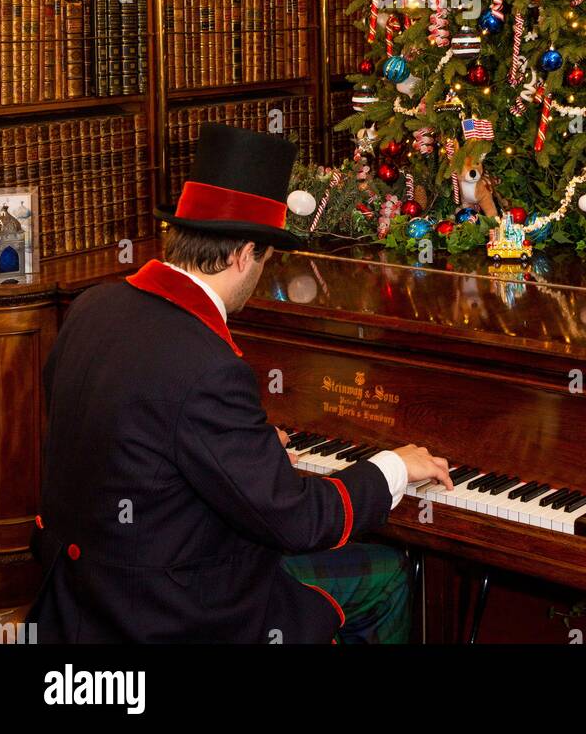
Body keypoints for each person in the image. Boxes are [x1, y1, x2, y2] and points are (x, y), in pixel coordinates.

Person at [28, 123, 452, 643]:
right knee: (386, 575)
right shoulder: (208, 364)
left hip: (82, 594)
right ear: (242, 254)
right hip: (169, 612)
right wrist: (393, 466)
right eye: (266, 258)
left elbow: (127, 446)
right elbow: (296, 523)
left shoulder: (93, 307)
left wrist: (240, 458)